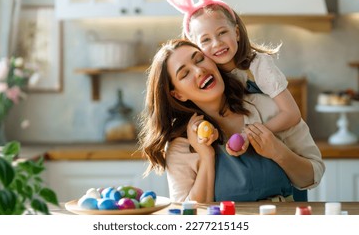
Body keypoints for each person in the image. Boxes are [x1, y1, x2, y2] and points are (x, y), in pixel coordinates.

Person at [138, 39, 325, 203]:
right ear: (177, 94)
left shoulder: (268, 108)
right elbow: (188, 215)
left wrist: (277, 152)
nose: (199, 70)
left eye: (200, 59)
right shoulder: (181, 145)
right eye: (184, 74)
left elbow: (311, 177)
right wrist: (206, 157)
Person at [149, 0, 300, 134]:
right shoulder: (210, 76)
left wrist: (250, 137)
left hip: (291, 140)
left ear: (236, 33)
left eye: (222, 33)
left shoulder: (259, 66)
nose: (217, 43)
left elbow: (292, 114)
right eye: (205, 40)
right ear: (196, 46)